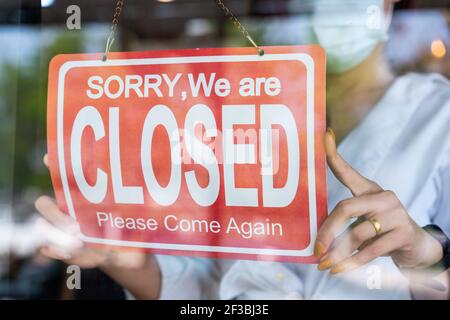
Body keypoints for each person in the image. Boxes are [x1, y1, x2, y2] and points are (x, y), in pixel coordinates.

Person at [35, 0, 450, 300]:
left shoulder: (438, 117)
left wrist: (425, 254)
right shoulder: (251, 107)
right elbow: (208, 286)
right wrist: (135, 265)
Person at [219, 0, 450, 299]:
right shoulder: (255, 116)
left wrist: (426, 257)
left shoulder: (439, 117)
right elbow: (211, 271)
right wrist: (143, 269)